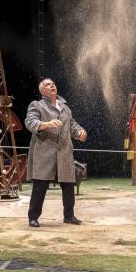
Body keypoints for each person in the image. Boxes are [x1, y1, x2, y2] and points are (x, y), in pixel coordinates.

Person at [25, 78, 87, 227]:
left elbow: (71, 124)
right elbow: (30, 122)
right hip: (45, 151)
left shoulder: (65, 107)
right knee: (40, 184)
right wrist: (45, 124)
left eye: (53, 84)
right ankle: (33, 217)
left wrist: (79, 132)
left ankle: (69, 216)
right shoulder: (37, 105)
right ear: (42, 90)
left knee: (68, 184)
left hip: (64, 150)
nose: (52, 85)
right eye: (47, 84)